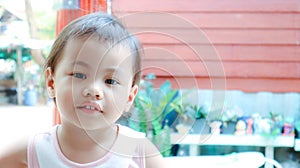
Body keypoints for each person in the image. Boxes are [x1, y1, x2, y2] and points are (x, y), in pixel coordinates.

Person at [0, 12, 166, 168]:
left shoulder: (138, 152)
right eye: (79, 75)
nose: (94, 90)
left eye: (110, 81)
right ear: (51, 83)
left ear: (130, 97)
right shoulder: (33, 150)